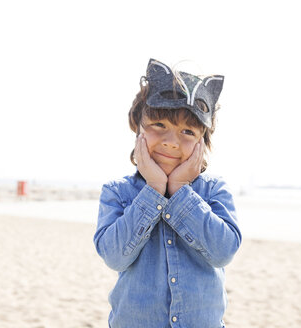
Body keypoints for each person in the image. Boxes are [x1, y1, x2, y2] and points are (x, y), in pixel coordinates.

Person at [93, 58, 242, 328]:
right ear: (137, 127)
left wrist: (180, 191)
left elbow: (223, 252)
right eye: (159, 125)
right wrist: (154, 191)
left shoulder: (213, 190)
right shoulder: (118, 192)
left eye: (187, 131)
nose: (171, 142)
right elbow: (114, 257)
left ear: (202, 142)